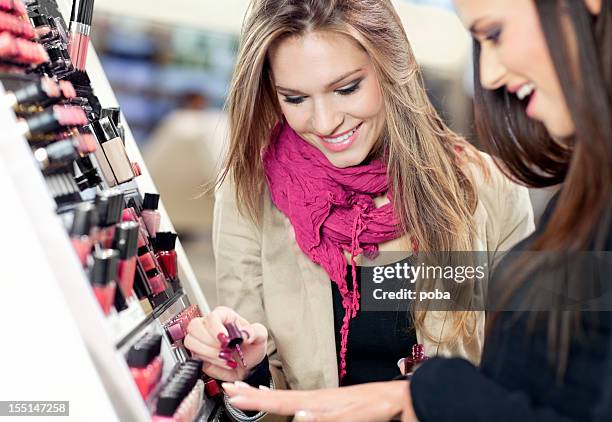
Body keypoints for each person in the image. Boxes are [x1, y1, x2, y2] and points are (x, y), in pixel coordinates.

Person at [220, 0, 612, 420]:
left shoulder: (488, 187)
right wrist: (248, 366)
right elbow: (261, 399)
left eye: (348, 88)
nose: (324, 121)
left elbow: (533, 376)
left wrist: (425, 397)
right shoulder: (250, 197)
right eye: (295, 98)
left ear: (393, 68)